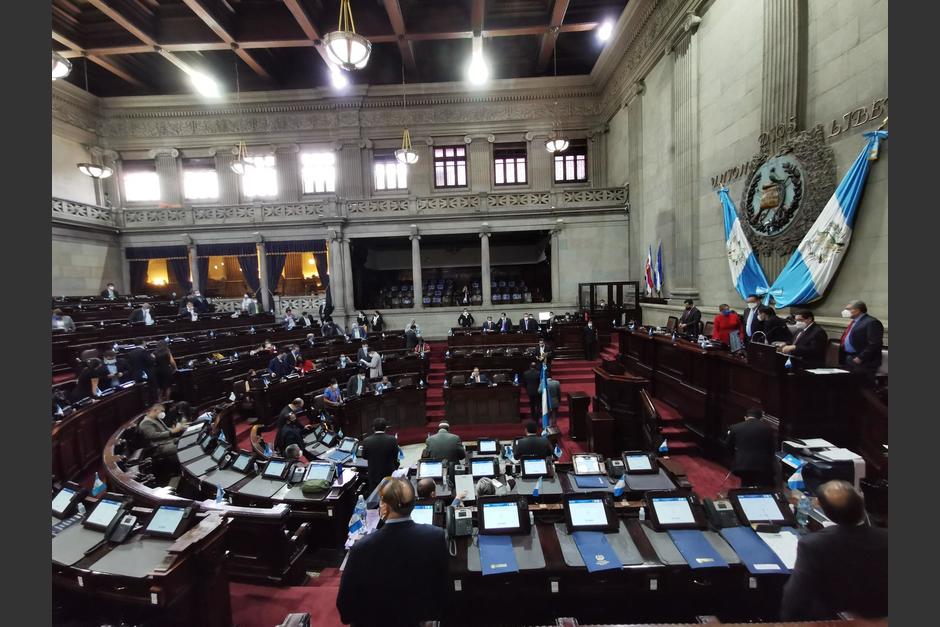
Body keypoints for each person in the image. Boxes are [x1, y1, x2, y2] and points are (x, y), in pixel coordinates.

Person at [336, 478, 448, 627]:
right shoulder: (436, 536)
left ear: (384, 506)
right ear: (413, 505)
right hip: (418, 619)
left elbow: (345, 604)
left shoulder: (361, 548)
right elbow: (442, 586)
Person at [780, 480, 888, 620]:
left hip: (831, 619)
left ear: (826, 511)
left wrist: (786, 621)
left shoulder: (813, 545)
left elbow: (795, 597)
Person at [725, 408, 776, 487]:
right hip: (762, 466)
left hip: (742, 464)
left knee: (745, 485)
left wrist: (735, 458)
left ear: (745, 417)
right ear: (761, 419)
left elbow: (728, 447)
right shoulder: (768, 429)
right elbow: (772, 449)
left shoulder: (735, 427)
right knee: (762, 487)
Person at [838, 300, 884, 383]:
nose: (845, 311)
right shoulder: (855, 321)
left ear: (858, 310)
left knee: (863, 388)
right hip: (849, 358)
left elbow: (874, 343)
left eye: (848, 309)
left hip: (863, 361)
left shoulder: (872, 322)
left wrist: (860, 357)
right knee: (849, 386)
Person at [360, 418, 400, 492]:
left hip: (373, 474)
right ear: (386, 427)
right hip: (389, 474)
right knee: (389, 495)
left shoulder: (366, 440)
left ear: (373, 428)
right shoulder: (392, 439)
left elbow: (364, 456)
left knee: (374, 497)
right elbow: (395, 456)